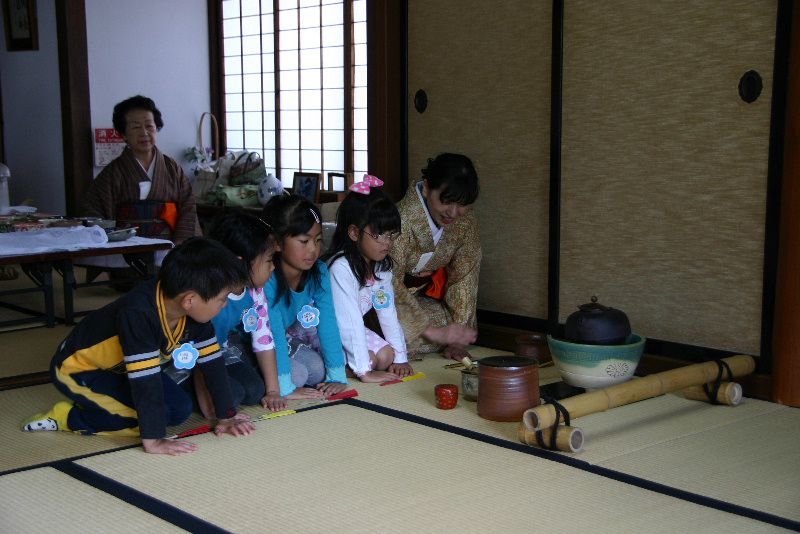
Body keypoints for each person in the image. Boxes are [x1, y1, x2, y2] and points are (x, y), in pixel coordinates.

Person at [21, 238, 256, 456]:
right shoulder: (139, 314)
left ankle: (100, 409)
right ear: (190, 300)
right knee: (151, 420)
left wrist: (226, 416)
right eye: (222, 299)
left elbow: (212, 363)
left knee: (180, 410)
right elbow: (146, 381)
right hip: (78, 369)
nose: (224, 306)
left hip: (123, 368)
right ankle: (69, 417)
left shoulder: (193, 313)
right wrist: (153, 439)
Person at [391, 153, 481, 361]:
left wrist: (456, 338)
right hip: (381, 301)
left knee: (460, 328)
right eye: (447, 201)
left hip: (420, 302)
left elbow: (464, 278)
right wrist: (433, 332)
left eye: (462, 205)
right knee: (394, 328)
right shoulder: (400, 219)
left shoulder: (464, 222)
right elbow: (387, 283)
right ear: (426, 187)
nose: (453, 212)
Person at [323, 177, 414, 382]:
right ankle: (343, 369)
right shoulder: (341, 268)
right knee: (370, 361)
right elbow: (349, 321)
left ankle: (357, 364)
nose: (387, 242)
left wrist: (401, 358)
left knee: (386, 356)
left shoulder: (381, 267)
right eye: (379, 234)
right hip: (324, 331)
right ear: (354, 232)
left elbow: (387, 312)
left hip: (350, 328)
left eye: (391, 234)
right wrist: (364, 371)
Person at [196, 211, 286, 413]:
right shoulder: (213, 299)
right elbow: (203, 355)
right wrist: (217, 413)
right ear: (239, 262)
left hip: (222, 352)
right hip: (193, 362)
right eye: (269, 260)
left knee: (255, 390)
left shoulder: (255, 292)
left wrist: (273, 391)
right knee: (232, 396)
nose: (273, 267)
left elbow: (263, 338)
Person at [261, 194, 348, 399]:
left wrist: (337, 376)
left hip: (285, 338)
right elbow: (272, 333)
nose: (313, 249)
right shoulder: (268, 276)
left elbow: (328, 322)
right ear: (277, 243)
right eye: (304, 241)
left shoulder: (319, 272)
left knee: (318, 370)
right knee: (297, 376)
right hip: (258, 342)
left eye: (317, 240)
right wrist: (284, 387)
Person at [81, 95, 201, 243]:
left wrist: (179, 246)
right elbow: (94, 212)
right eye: (136, 127)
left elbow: (188, 209)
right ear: (123, 134)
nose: (144, 133)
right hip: (124, 251)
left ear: (157, 128)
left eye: (149, 126)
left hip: (169, 248)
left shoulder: (173, 169)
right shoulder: (112, 174)